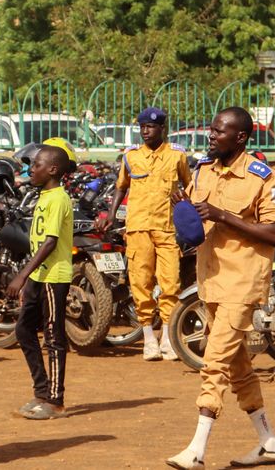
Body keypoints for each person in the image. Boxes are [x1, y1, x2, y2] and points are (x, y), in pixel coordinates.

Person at [167, 107, 275, 470]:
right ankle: (268, 442)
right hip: (211, 282)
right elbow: (193, 221)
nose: (212, 136)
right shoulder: (203, 169)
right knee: (239, 369)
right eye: (212, 129)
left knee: (214, 363)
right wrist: (182, 208)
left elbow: (274, 233)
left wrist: (222, 215)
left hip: (242, 282)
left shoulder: (260, 177)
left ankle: (197, 450)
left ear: (241, 137)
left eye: (220, 132)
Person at [99, 107, 191, 361]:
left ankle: (170, 339)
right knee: (141, 282)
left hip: (167, 228)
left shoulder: (177, 156)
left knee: (170, 282)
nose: (145, 131)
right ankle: (149, 337)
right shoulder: (131, 157)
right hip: (138, 227)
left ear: (162, 128)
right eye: (142, 127)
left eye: (150, 127)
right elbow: (121, 187)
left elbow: (189, 185)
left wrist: (185, 202)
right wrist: (110, 213)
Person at [6, 142, 76, 420]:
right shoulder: (43, 196)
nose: (31, 170)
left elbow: (50, 243)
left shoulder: (59, 198)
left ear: (53, 169)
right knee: (24, 330)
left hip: (53, 277)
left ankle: (55, 401)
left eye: (36, 165)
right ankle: (41, 391)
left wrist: (21, 276)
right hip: (38, 275)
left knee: (53, 337)